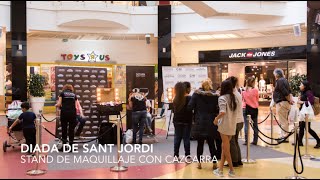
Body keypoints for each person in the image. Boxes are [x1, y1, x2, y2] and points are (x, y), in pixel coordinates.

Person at [188, 78, 221, 170]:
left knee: (200, 144)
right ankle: (214, 164)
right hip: (211, 122)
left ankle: (199, 164)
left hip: (200, 122)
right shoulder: (215, 95)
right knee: (211, 144)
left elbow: (190, 106)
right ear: (210, 85)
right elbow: (218, 108)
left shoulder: (196, 94)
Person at [213, 80, 239, 177]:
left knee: (226, 149)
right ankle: (220, 169)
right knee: (225, 147)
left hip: (224, 125)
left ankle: (231, 170)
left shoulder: (222, 98)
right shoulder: (234, 98)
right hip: (232, 125)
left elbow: (222, 112)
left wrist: (216, 119)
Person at [295, 80, 320, 148]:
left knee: (307, 128)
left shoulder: (308, 92)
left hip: (307, 113)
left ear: (305, 86)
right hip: (303, 112)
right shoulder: (303, 92)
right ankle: (300, 142)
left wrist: (301, 102)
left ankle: (318, 141)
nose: (300, 86)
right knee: (302, 127)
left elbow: (311, 102)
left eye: (301, 85)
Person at [226, 76, 244, 167]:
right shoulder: (237, 93)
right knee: (235, 141)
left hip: (235, 121)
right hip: (240, 120)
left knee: (232, 142)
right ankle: (238, 160)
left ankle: (234, 161)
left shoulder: (232, 95)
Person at [172, 82, 193, 161]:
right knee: (186, 138)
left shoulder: (175, 99)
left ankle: (175, 155)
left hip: (177, 120)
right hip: (187, 121)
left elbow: (174, 111)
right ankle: (187, 156)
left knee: (177, 138)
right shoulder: (189, 98)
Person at [273, 68, 294, 143]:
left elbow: (285, 92)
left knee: (283, 121)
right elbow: (289, 91)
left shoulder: (280, 81)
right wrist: (290, 99)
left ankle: (285, 137)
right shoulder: (285, 80)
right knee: (283, 121)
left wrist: (289, 99)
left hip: (282, 103)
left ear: (277, 74)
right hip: (284, 102)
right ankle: (283, 136)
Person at [55, 84, 78, 152]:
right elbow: (76, 106)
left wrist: (56, 105)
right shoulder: (74, 95)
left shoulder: (62, 94)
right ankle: (71, 147)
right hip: (72, 113)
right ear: (71, 89)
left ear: (64, 88)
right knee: (71, 130)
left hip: (64, 113)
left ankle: (64, 147)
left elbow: (59, 104)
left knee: (64, 130)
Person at [242, 77, 259, 145]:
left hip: (245, 108)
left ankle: (246, 140)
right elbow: (257, 99)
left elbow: (242, 100)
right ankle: (255, 140)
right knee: (255, 125)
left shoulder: (243, 91)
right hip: (254, 108)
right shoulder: (255, 90)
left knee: (246, 125)